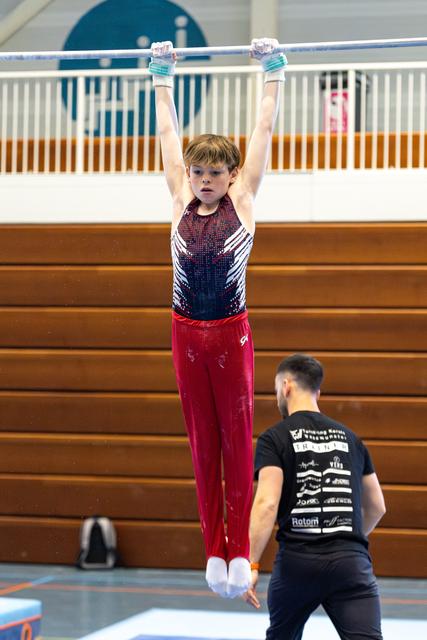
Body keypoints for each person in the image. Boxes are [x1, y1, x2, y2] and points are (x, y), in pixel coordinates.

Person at [149, 38, 287, 598]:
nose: (205, 179)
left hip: (231, 335)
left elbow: (263, 133)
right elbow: (164, 135)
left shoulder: (245, 199)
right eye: (198, 170)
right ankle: (214, 548)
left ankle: (238, 553)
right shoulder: (180, 197)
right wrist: (161, 75)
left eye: (215, 172)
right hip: (185, 332)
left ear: (232, 176)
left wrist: (272, 70)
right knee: (202, 443)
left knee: (235, 439)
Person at [244, 353, 386, 639]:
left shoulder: (275, 438)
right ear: (317, 391)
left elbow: (267, 503)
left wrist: (252, 563)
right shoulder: (351, 439)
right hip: (350, 563)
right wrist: (347, 541)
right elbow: (377, 507)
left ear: (286, 386)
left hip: (298, 561)